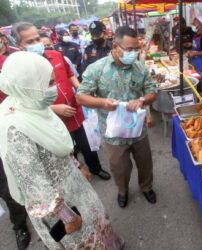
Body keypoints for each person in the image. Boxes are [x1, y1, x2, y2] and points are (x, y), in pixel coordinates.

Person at [0, 51, 124, 249]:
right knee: (82, 239)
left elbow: (57, 145)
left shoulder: (34, 105)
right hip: (57, 205)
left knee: (98, 225)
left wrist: (78, 165)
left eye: (53, 81)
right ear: (27, 84)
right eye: (48, 83)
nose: (54, 88)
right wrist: (67, 217)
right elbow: (34, 185)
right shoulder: (15, 127)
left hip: (75, 184)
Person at [12, 22, 111, 181]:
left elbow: (71, 75)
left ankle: (96, 169)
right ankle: (76, 175)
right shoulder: (20, 71)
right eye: (30, 42)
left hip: (74, 110)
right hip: (51, 119)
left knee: (86, 145)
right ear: (19, 46)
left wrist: (80, 90)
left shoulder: (56, 55)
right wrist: (53, 108)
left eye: (37, 39)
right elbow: (22, 103)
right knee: (65, 149)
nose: (37, 44)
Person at [76, 26, 157, 208]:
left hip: (138, 130)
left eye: (136, 49)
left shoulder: (140, 68)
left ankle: (146, 187)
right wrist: (103, 102)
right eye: (129, 49)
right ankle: (123, 191)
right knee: (120, 169)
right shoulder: (96, 69)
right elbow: (81, 96)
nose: (133, 53)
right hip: (113, 134)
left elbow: (153, 92)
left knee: (145, 163)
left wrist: (142, 99)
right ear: (115, 46)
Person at [0, 54, 31, 250]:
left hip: (8, 128)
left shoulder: (5, 62)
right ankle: (21, 223)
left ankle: (23, 223)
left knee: (10, 184)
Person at [187, 16, 202, 98]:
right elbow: (195, 47)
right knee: (197, 80)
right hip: (196, 62)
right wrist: (190, 50)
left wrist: (195, 53)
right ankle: (199, 95)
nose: (193, 24)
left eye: (195, 22)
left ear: (200, 24)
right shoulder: (196, 35)